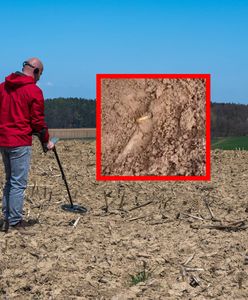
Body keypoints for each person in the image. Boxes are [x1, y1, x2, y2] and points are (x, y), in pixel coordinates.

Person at [0, 57, 54, 232]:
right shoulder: (34, 91)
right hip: (19, 142)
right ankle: (15, 221)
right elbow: (38, 122)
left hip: (3, 140)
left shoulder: (2, 87)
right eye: (40, 74)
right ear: (36, 71)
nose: (39, 78)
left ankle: (7, 218)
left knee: (9, 180)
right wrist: (46, 141)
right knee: (18, 183)